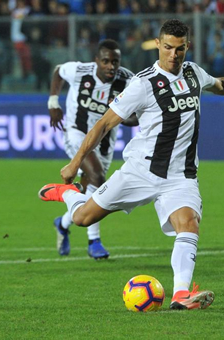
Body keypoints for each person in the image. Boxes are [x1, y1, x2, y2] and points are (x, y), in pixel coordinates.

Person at [39, 19, 224, 309]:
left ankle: (180, 295)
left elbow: (220, 84)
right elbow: (103, 124)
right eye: (167, 48)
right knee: (82, 219)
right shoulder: (143, 83)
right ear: (158, 44)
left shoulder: (192, 73)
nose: (173, 55)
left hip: (181, 176)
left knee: (189, 224)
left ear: (187, 46)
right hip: (141, 171)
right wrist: (74, 163)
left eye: (179, 49)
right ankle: (67, 194)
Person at [46, 39, 136, 259]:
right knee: (97, 175)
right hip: (77, 133)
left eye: (115, 61)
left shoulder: (129, 81)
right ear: (97, 61)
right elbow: (58, 71)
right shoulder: (80, 71)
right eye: (106, 61)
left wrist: (124, 115)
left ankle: (63, 223)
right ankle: (94, 241)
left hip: (105, 141)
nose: (111, 66)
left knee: (89, 191)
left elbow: (137, 117)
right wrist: (53, 102)